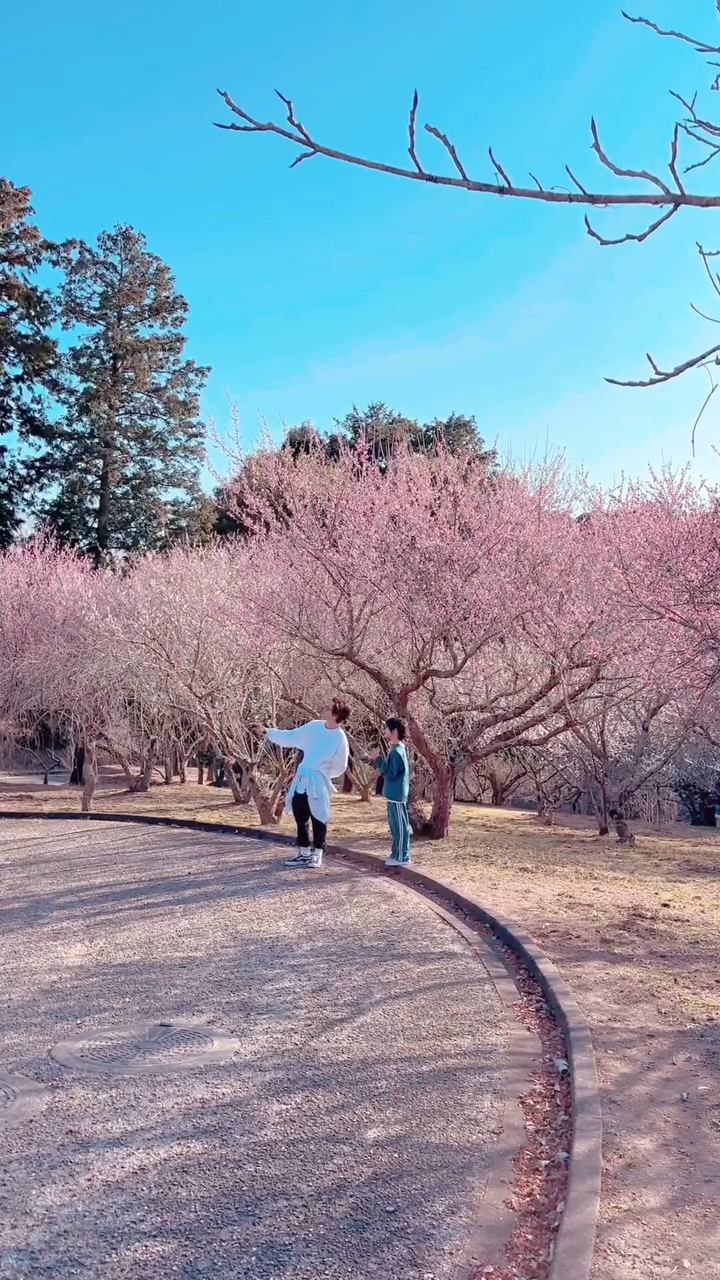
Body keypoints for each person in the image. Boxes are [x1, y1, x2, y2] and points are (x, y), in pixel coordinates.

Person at [258, 699, 350, 868]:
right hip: (302, 778)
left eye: (328, 708)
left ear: (336, 714)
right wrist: (267, 732)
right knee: (300, 814)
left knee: (319, 817)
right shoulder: (314, 726)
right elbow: (291, 736)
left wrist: (324, 773)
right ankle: (304, 852)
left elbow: (340, 765)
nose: (324, 708)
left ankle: (317, 854)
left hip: (318, 781)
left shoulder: (340, 738)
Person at [374, 718, 411, 867]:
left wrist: (378, 760)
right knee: (395, 826)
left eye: (387, 729)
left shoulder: (396, 751)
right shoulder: (396, 749)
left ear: (394, 731)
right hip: (393, 794)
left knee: (400, 826)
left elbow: (391, 773)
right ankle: (396, 853)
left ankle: (402, 856)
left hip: (397, 794)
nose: (385, 732)